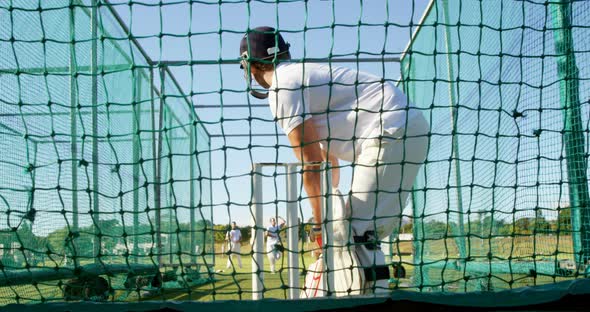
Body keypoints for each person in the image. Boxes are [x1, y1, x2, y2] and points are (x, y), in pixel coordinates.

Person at [239, 27, 429, 295]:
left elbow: (312, 165)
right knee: (365, 231)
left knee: (359, 234)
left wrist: (319, 228)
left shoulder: (281, 87)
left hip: (390, 130)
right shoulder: (301, 78)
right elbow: (329, 163)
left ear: (251, 65)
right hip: (408, 129)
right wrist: (329, 215)